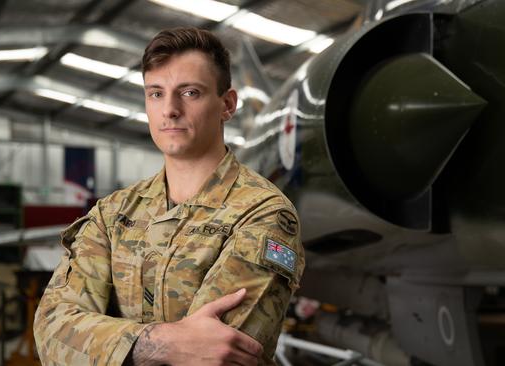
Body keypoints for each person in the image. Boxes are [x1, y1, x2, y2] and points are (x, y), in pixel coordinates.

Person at [33, 27, 304, 366]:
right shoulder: (113, 212)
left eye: (190, 93)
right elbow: (51, 330)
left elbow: (218, 355)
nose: (170, 109)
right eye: (156, 94)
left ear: (227, 105)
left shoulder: (263, 214)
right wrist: (162, 344)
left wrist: (105, 345)